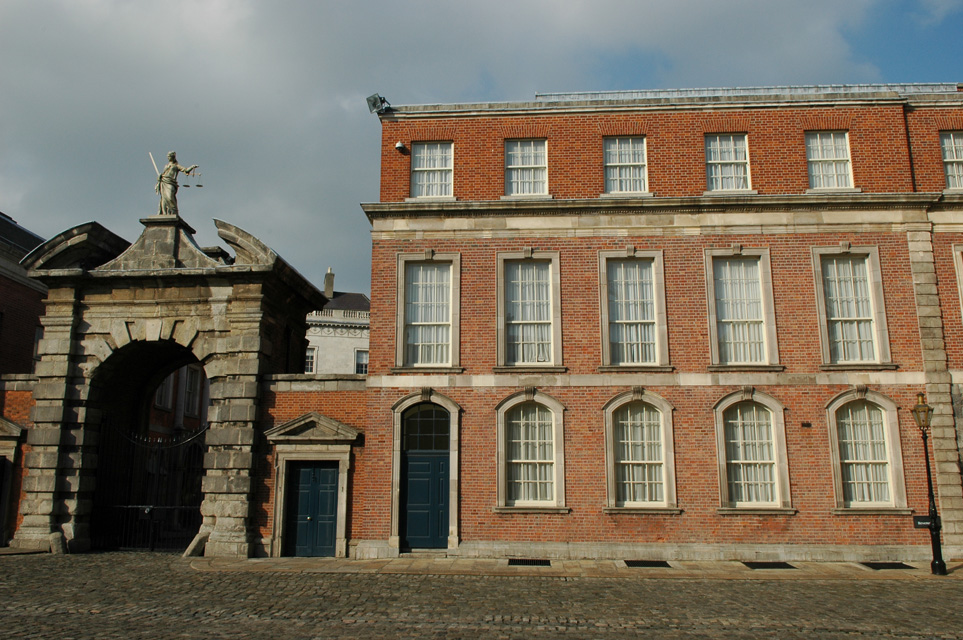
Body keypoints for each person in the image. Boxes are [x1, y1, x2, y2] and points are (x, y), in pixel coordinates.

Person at [155, 151, 198, 216]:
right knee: (164, 198)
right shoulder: (166, 166)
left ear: (173, 157)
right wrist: (160, 176)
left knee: (170, 197)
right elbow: (164, 173)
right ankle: (164, 213)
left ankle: (173, 211)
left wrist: (192, 167)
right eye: (167, 156)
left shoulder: (176, 166)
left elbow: (186, 170)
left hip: (171, 182)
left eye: (169, 156)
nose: (168, 157)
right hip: (164, 182)